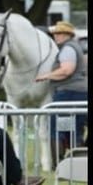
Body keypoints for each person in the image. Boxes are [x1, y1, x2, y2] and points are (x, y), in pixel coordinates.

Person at [35, 20, 88, 161]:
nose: (56, 36)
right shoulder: (74, 47)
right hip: (77, 93)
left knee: (58, 129)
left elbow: (67, 70)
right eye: (55, 33)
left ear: (67, 35)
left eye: (59, 33)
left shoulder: (68, 49)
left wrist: (45, 76)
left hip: (68, 93)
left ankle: (58, 163)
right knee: (73, 130)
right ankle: (78, 162)